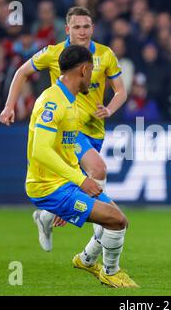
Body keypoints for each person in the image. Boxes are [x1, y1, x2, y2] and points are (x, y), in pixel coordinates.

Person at [0, 7, 127, 253]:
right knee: (98, 169)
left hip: (95, 131)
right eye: (76, 27)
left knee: (73, 194)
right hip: (68, 131)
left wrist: (109, 109)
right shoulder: (55, 53)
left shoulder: (105, 54)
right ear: (67, 29)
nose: (82, 31)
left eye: (86, 26)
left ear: (93, 28)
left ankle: (46, 217)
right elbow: (22, 71)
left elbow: (120, 90)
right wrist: (9, 106)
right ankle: (98, 242)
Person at [26, 44, 138, 288]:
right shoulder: (53, 103)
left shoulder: (72, 102)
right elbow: (40, 151)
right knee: (115, 221)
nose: (93, 79)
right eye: (92, 73)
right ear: (84, 69)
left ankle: (87, 260)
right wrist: (80, 180)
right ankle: (110, 272)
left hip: (64, 184)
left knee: (120, 220)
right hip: (47, 187)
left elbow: (64, 152)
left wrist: (76, 180)